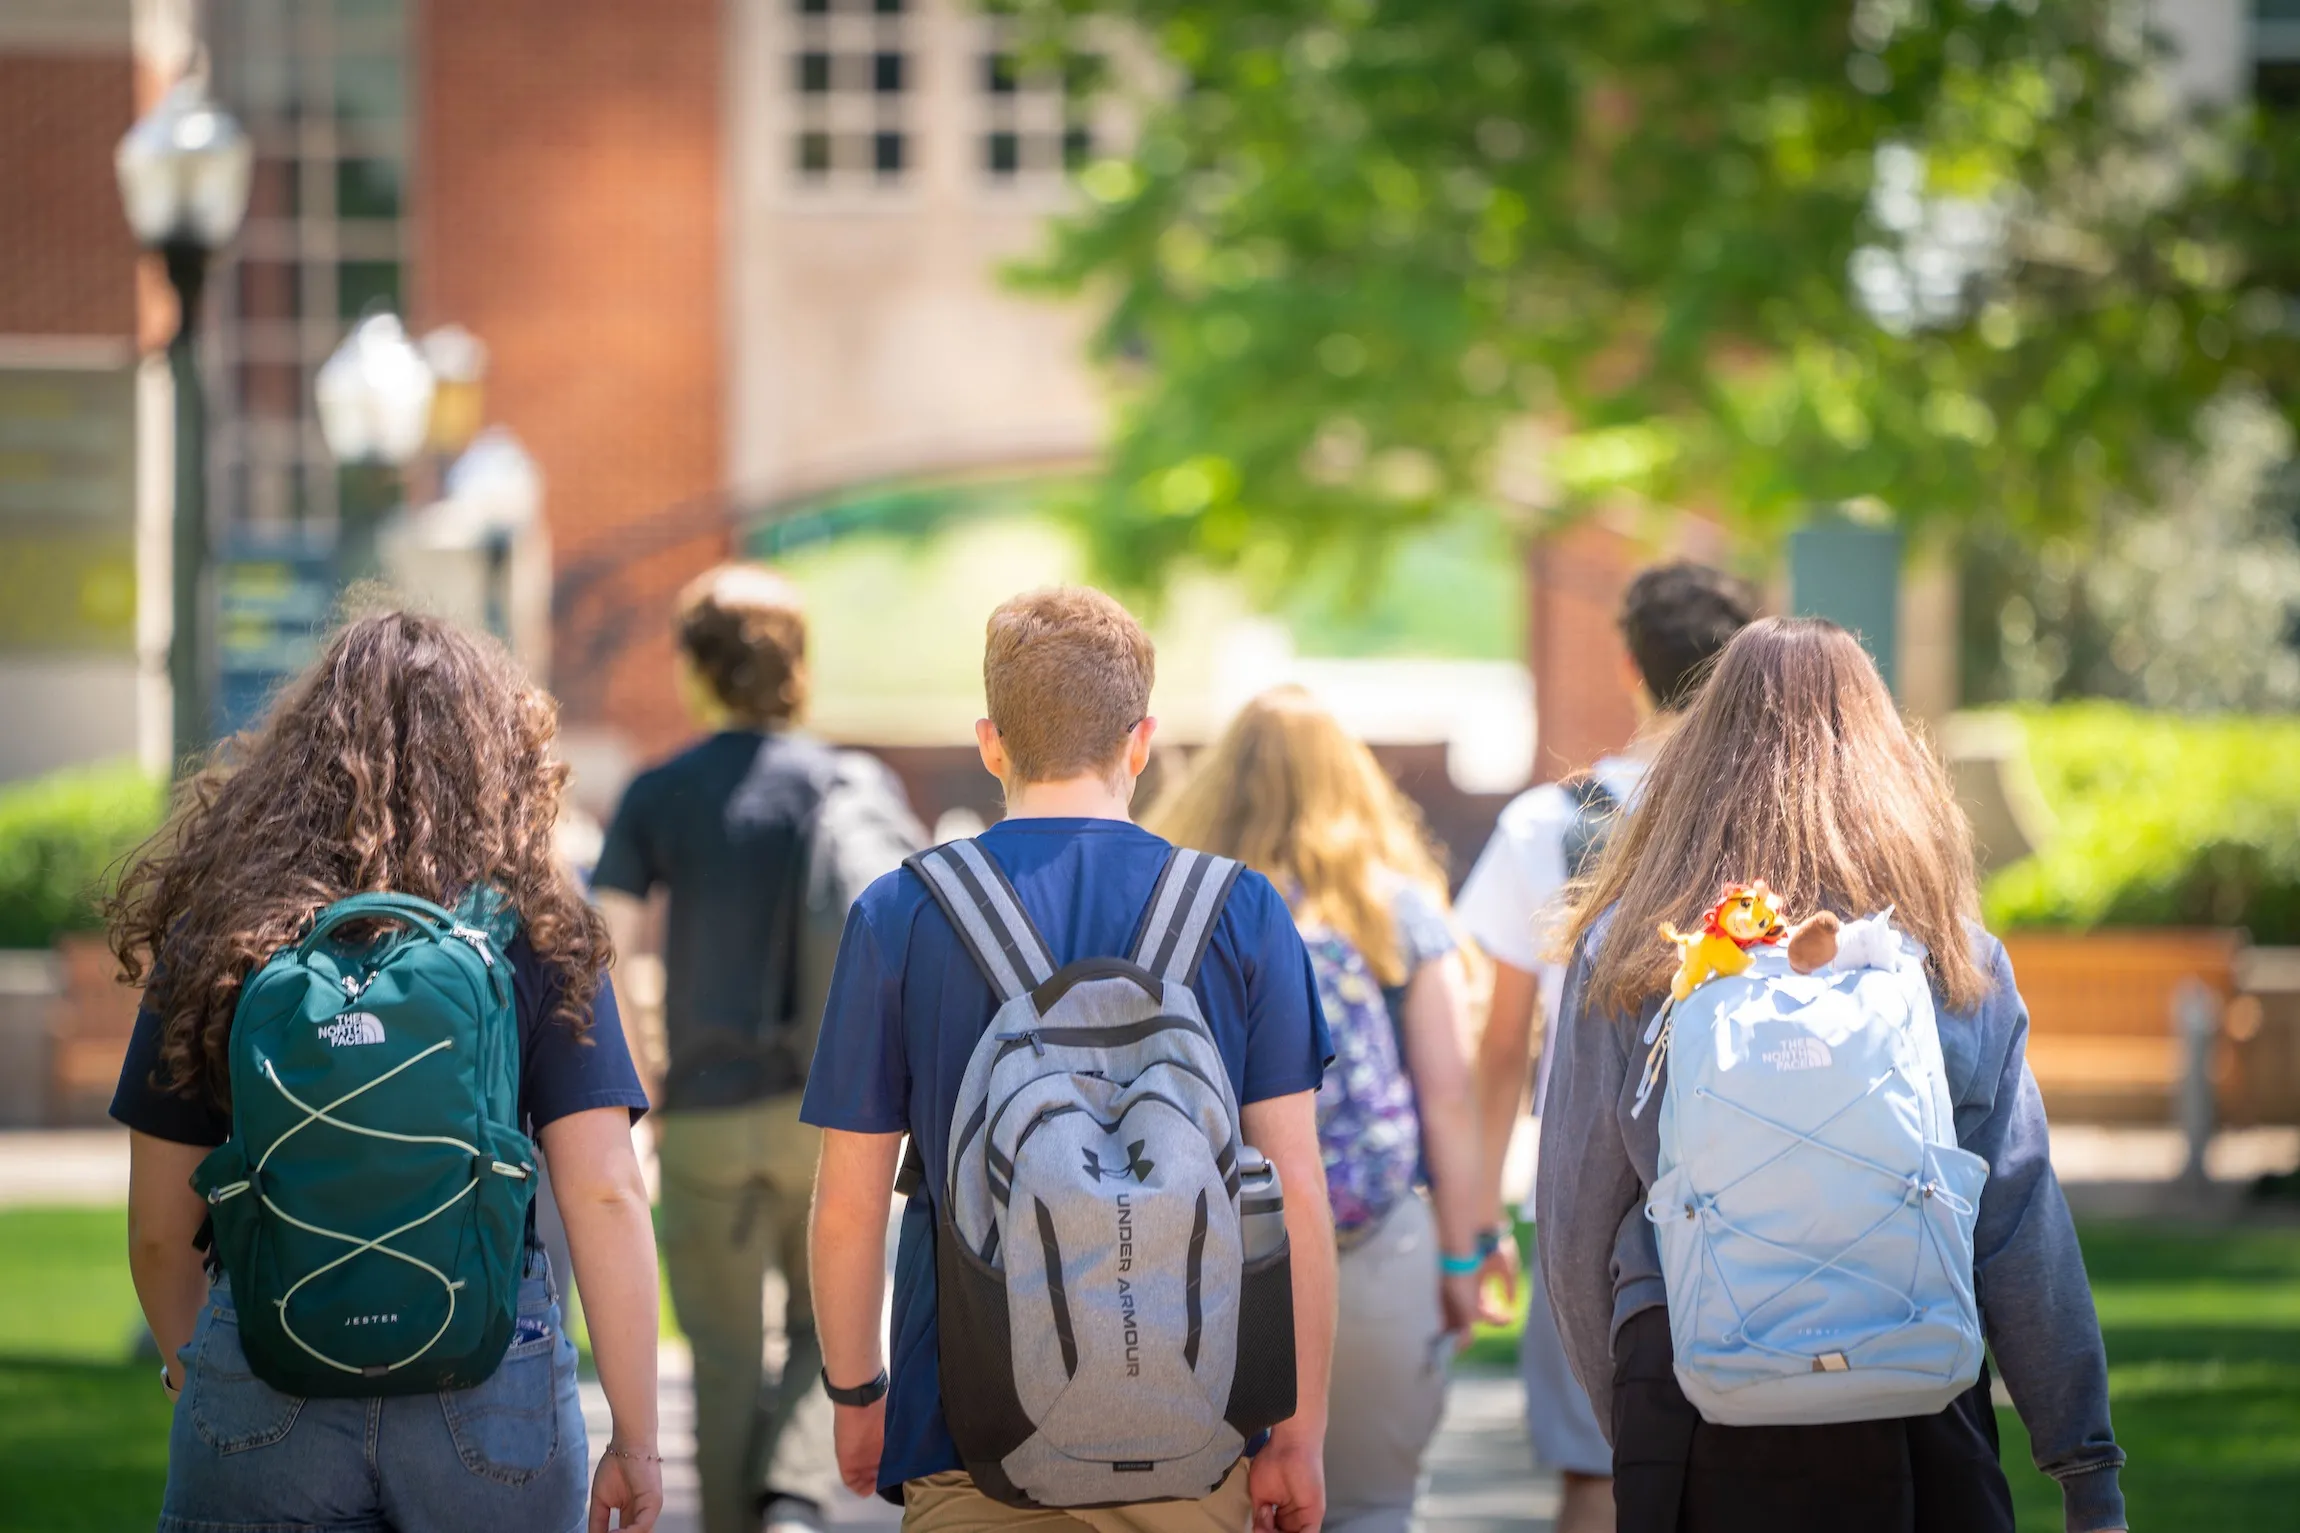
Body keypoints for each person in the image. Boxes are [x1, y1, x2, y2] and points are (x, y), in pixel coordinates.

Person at [1536, 618, 2127, 1533]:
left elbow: (1577, 1216)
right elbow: (2018, 1219)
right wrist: (2084, 1467)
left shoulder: (1631, 956)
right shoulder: (1949, 959)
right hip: (1915, 1378)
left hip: (1693, 1386)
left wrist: (1632, 1415)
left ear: (1699, 760)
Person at [107, 608, 662, 1533]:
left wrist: (194, 1368)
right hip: (489, 1381)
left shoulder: (230, 920)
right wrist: (636, 1441)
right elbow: (605, 1190)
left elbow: (162, 1232)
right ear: (492, 753)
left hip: (267, 1360)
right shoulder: (532, 916)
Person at [802, 586, 1338, 1532]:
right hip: (1196, 1435)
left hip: (967, 1433)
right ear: (1141, 740)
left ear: (990, 741)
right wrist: (1295, 1434)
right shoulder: (1240, 910)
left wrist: (856, 1394)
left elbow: (849, 1200)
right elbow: (1294, 1188)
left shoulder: (901, 913)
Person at [594, 563, 921, 1533]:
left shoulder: (660, 792)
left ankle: (747, 1517)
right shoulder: (848, 784)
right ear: (797, 667)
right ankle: (792, 1497)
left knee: (723, 1357)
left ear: (697, 667)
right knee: (826, 1331)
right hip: (826, 1118)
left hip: (700, 1113)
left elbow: (605, 942)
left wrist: (642, 1072)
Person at [1145, 686, 1500, 1533]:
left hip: (1201, 1257)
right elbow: (1446, 1099)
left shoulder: (1176, 910)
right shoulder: (1396, 910)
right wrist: (1462, 1257)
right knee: (1372, 1507)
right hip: (1374, 1246)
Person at [1455, 562, 1757, 1533]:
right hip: (1757, 1172)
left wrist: (1476, 1219)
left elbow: (1501, 1046)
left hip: (1591, 1191)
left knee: (1596, 1469)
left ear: (1627, 663)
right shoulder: (1768, 822)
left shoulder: (1546, 825)